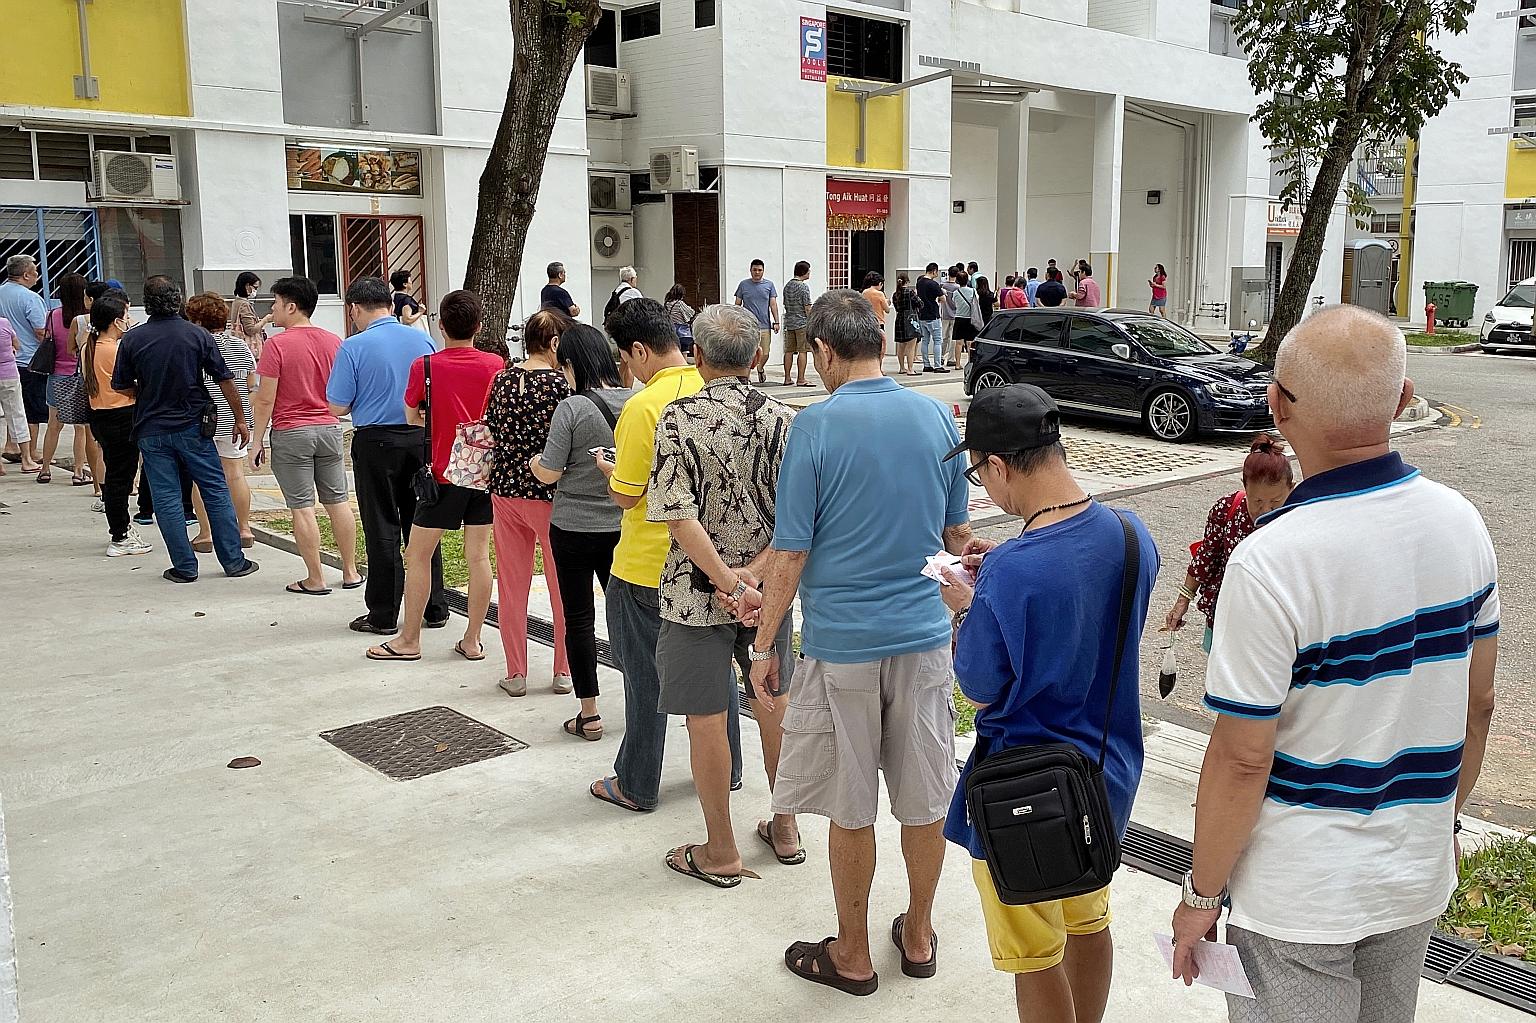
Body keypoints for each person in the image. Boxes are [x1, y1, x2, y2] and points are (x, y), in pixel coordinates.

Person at [1169, 306, 1500, 1023]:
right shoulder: (1463, 524)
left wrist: (1199, 895)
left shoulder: (1271, 560)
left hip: (1298, 895)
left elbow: (1240, 759)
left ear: (1276, 404)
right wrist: (1441, 819)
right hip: (1413, 874)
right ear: (1405, 398)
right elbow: (1479, 707)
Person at [739, 289, 972, 997]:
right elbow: (955, 539)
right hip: (926, 641)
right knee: (925, 795)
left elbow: (790, 554)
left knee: (851, 805)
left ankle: (852, 953)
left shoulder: (816, 427)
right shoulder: (936, 416)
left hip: (842, 645)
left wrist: (763, 644)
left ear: (826, 353)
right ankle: (921, 934)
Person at [937, 384, 1159, 1023]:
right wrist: (1004, 572)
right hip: (1105, 774)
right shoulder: (1129, 533)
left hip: (1024, 792)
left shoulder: (1011, 571)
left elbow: (978, 685)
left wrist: (968, 610)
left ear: (999, 468)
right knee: (1088, 921)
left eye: (981, 473)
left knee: (1033, 956)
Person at [650, 304, 802, 887]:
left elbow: (677, 515)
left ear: (697, 357)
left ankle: (720, 848)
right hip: (769, 595)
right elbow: (798, 518)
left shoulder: (678, 418)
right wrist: (755, 578)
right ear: (759, 356)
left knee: (706, 719)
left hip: (695, 593)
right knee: (774, 702)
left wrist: (723, 579)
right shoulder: (785, 419)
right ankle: (785, 826)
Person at [588, 298, 743, 812]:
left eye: (626, 359)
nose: (625, 371)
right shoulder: (715, 386)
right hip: (716, 564)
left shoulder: (643, 406)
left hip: (646, 566)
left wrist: (611, 473)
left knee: (643, 677)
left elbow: (632, 494)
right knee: (718, 673)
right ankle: (731, 771)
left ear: (639, 350)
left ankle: (636, 781)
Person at [366, 290, 505, 665]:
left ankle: (409, 639)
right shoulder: (495, 364)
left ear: (440, 325)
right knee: (478, 557)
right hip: (482, 472)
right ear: (478, 326)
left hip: (442, 473)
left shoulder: (425, 366)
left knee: (418, 555)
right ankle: (473, 639)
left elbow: (411, 414)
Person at [110, 276, 259, 583]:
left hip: (151, 428)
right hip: (193, 425)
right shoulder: (196, 335)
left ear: (146, 303)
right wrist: (241, 419)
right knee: (215, 489)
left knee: (166, 496)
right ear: (177, 300)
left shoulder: (133, 339)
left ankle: (184, 567)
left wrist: (146, 391)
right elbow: (225, 378)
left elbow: (120, 385)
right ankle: (233, 561)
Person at [529, 323, 634, 740]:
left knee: (578, 618)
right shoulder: (636, 403)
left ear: (570, 362)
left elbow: (550, 471)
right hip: (622, 529)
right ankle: (645, 696)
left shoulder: (571, 408)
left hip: (572, 527)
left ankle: (589, 713)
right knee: (629, 617)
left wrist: (534, 464)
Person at [328, 276, 443, 635]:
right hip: (420, 438)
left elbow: (337, 405)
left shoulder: (353, 347)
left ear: (354, 310)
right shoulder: (422, 338)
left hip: (376, 441)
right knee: (422, 524)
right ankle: (435, 607)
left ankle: (383, 614)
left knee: (381, 526)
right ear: (391, 307)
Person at [483, 308, 573, 696]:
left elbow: (487, 427)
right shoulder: (560, 386)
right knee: (562, 586)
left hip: (505, 491)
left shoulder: (502, 379)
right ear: (554, 343)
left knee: (512, 584)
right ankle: (563, 670)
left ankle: (516, 672)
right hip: (550, 494)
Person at [252, 277, 360, 595]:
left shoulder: (277, 345)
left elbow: (265, 399)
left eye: (274, 304)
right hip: (329, 428)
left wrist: (257, 441)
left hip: (291, 432)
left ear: (291, 306)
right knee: (338, 502)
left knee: (302, 507)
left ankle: (315, 578)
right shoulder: (333, 341)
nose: (271, 311)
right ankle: (351, 571)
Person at [1164, 435, 1295, 653]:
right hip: (1227, 616)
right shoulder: (1227, 509)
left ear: (1291, 489)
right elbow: (1205, 558)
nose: (1266, 511)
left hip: (1277, 624)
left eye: (1275, 502)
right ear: (1245, 488)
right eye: (1257, 502)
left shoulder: (1300, 515)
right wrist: (1182, 601)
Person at [79, 293, 151, 556]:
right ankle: (120, 535)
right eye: (126, 315)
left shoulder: (90, 345)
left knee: (115, 475)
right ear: (116, 321)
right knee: (121, 478)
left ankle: (121, 528)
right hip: (121, 415)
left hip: (101, 416)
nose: (129, 320)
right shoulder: (114, 350)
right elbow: (127, 385)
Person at [186, 292, 257, 552]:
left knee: (201, 478)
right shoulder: (240, 345)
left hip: (202, 419)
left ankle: (206, 533)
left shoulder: (194, 347)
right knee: (235, 473)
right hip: (235, 420)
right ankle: (244, 528)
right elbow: (250, 383)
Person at [36, 272, 93, 487]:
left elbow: (48, 338)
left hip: (57, 375)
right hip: (80, 375)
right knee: (81, 427)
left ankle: (45, 469)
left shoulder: (52, 315)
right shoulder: (87, 317)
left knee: (53, 424)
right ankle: (78, 471)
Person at [0, 256, 49, 462]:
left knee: (12, 406)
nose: (38, 276)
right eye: (35, 271)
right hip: (28, 359)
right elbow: (41, 331)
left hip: (6, 359)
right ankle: (31, 451)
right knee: (30, 409)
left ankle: (11, 445)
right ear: (26, 274)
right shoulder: (30, 298)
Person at [0, 314, 41, 473]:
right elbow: (17, 345)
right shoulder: (4, 323)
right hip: (9, 375)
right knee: (17, 414)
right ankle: (26, 459)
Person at [733, 259, 780, 386]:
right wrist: (736, 320)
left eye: (759, 270)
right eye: (755, 270)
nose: (757, 272)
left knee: (765, 353)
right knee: (749, 353)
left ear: (763, 271)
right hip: (748, 326)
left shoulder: (769, 285)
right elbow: (737, 305)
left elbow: (773, 304)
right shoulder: (743, 285)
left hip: (765, 325)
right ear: (750, 270)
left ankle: (760, 368)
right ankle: (746, 377)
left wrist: (776, 321)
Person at [782, 261, 813, 387]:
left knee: (789, 351)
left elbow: (785, 303)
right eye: (809, 270)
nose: (810, 273)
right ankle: (801, 379)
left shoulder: (787, 286)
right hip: (801, 322)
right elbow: (807, 307)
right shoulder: (803, 287)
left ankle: (787, 378)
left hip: (789, 322)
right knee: (802, 351)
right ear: (804, 272)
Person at [228, 272, 271, 360]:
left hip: (239, 348)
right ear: (247, 286)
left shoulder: (236, 302)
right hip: (249, 349)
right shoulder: (244, 304)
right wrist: (265, 320)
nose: (256, 291)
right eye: (255, 287)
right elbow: (250, 330)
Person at [916, 263, 947, 373]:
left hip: (922, 315)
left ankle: (926, 364)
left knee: (925, 340)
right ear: (934, 271)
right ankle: (938, 365)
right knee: (937, 341)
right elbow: (943, 299)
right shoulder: (933, 284)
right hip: (933, 315)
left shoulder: (919, 283)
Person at [892, 273, 920, 377]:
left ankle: (902, 368)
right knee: (911, 345)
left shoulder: (895, 294)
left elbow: (896, 307)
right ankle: (910, 369)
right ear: (907, 282)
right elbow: (920, 303)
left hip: (899, 319)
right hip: (910, 319)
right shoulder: (910, 292)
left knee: (901, 345)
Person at [951, 271, 981, 366]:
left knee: (959, 342)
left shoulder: (956, 292)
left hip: (959, 318)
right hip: (970, 318)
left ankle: (957, 364)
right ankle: (970, 362)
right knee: (970, 342)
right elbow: (977, 301)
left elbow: (954, 303)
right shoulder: (973, 291)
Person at [861, 271, 889, 370]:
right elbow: (887, 309)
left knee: (868, 347)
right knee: (880, 348)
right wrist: (887, 302)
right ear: (880, 283)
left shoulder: (864, 292)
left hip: (867, 322)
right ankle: (878, 369)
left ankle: (868, 368)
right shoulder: (880, 294)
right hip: (879, 322)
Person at [663, 284, 696, 360]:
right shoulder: (679, 303)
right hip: (681, 330)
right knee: (684, 350)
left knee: (674, 349)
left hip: (671, 329)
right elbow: (691, 312)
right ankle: (683, 366)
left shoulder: (667, 303)